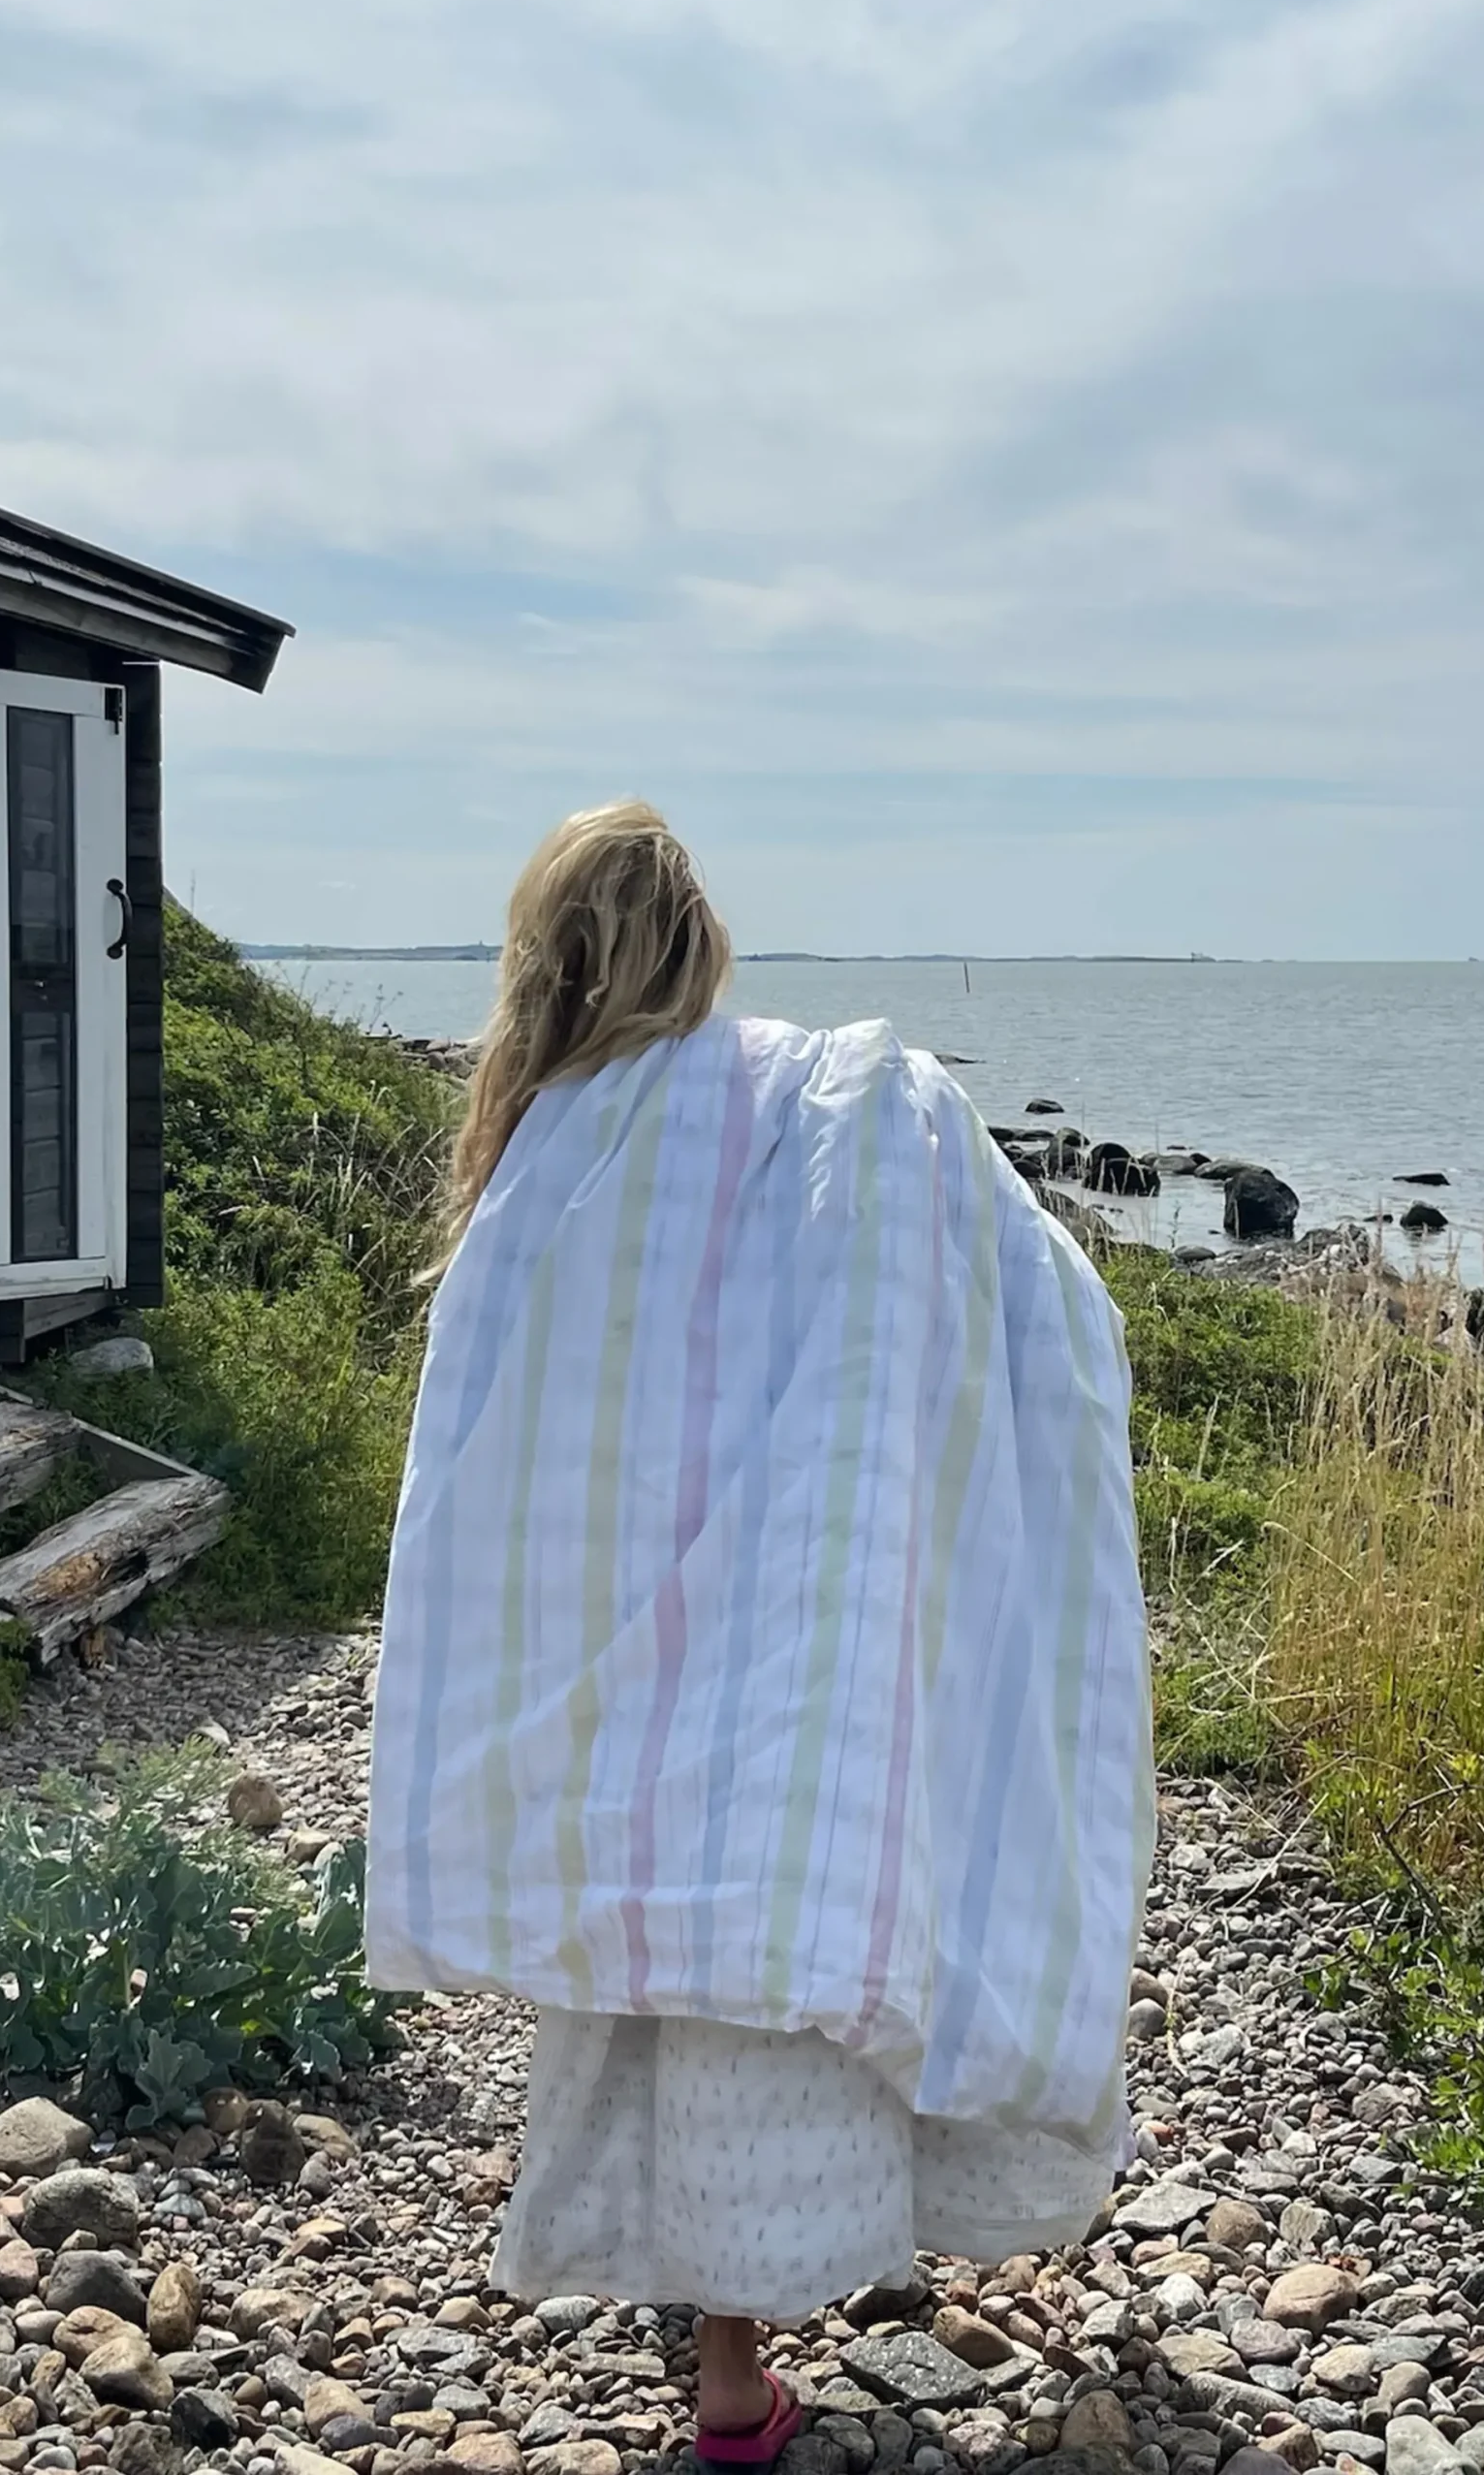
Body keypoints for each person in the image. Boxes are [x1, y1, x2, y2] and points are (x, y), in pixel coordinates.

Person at [366, 801, 1154, 2467]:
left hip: (626, 1668)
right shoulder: (849, 1101)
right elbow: (1032, 1289)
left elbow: (493, 1450)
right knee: (805, 1957)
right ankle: (741, 2367)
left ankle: (724, 2360)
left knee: (661, 1973)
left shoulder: (549, 1152)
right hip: (802, 1646)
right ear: (700, 948)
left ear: (546, 964)